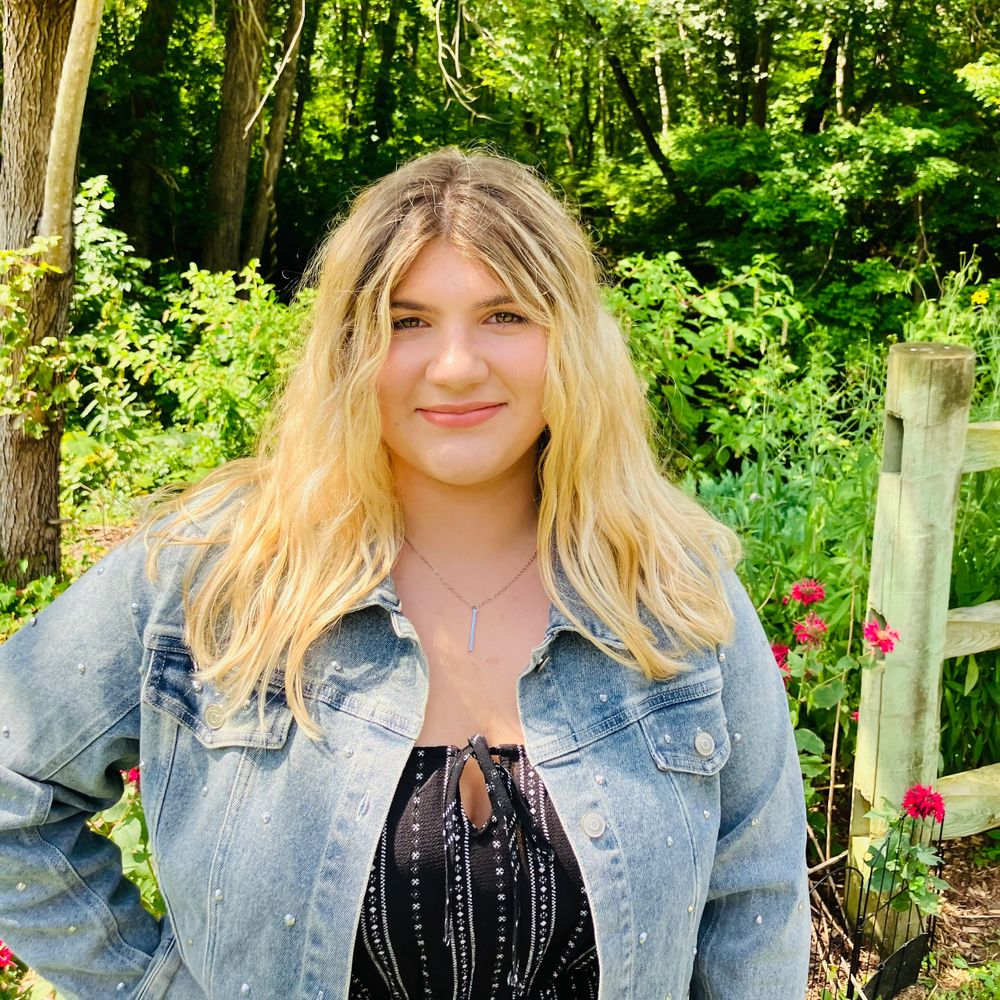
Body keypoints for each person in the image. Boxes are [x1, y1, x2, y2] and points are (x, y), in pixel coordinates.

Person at [0, 146, 810, 1000]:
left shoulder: (674, 591)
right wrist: (155, 987)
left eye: (504, 315)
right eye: (406, 320)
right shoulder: (215, 572)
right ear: (348, 347)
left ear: (569, 339)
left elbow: (755, 904)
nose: (455, 365)